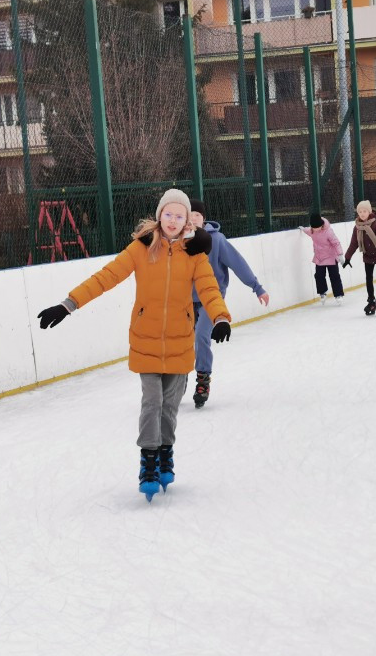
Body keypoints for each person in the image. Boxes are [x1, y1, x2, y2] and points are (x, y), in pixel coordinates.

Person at [36, 189, 231, 501]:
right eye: (168, 214)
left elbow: (209, 287)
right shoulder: (142, 248)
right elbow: (107, 276)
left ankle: (165, 450)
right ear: (159, 216)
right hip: (146, 341)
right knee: (151, 402)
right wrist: (68, 304)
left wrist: (220, 317)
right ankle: (149, 459)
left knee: (169, 407)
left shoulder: (195, 253)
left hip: (181, 342)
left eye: (179, 216)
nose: (173, 220)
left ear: (186, 221)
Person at [189, 199, 269, 408]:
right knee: (181, 340)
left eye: (197, 215)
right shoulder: (178, 241)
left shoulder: (217, 240)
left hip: (211, 298)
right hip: (186, 300)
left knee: (201, 335)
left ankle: (203, 379)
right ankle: (177, 379)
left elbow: (237, 263)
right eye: (189, 215)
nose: (192, 218)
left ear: (203, 218)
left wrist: (257, 287)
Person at [343, 199, 376, 315]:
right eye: (360, 211)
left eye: (364, 211)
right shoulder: (357, 227)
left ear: (369, 212)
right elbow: (354, 244)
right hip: (367, 256)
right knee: (369, 279)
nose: (362, 214)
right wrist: (347, 258)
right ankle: (371, 302)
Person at [300, 211, 345, 305]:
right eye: (314, 227)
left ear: (321, 225)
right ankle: (322, 292)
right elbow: (307, 230)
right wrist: (302, 229)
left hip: (331, 257)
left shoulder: (328, 231)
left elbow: (336, 243)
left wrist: (340, 255)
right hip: (319, 258)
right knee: (319, 276)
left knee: (334, 276)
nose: (316, 229)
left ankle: (338, 294)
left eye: (317, 227)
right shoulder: (311, 230)